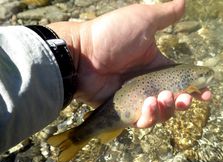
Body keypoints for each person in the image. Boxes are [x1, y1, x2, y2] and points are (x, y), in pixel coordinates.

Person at [0, 0, 211, 152]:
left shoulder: (184, 77)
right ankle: (78, 136)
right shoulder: (187, 82)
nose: (209, 77)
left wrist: (80, 49)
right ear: (191, 81)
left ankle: (79, 135)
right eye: (205, 76)